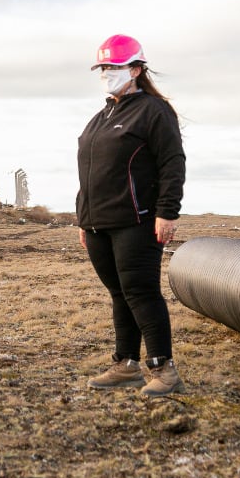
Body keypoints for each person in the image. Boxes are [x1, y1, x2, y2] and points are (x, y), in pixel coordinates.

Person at [76, 35, 187, 397]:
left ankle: (164, 370)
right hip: (98, 223)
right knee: (119, 293)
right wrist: (83, 218)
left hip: (136, 221)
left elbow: (173, 163)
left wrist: (167, 212)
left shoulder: (154, 111)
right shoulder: (102, 115)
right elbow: (91, 170)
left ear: (137, 69)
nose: (107, 74)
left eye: (114, 67)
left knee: (141, 292)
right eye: (103, 68)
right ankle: (126, 365)